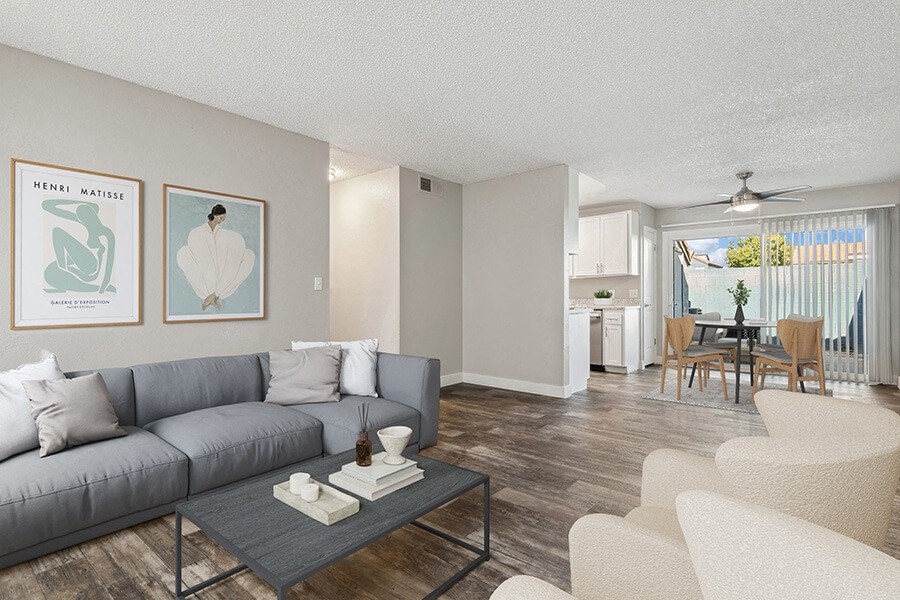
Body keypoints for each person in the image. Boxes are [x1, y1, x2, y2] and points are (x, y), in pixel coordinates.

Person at [176, 203, 255, 311]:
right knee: (182, 253)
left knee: (249, 255)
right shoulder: (196, 233)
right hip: (205, 284)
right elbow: (202, 263)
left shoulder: (227, 236)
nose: (222, 221)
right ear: (216, 216)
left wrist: (218, 291)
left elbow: (228, 265)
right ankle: (212, 296)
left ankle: (214, 296)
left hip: (223, 286)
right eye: (222, 218)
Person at [42, 199, 116, 294]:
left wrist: (102, 289)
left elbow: (108, 263)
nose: (82, 221)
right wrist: (84, 202)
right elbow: (47, 205)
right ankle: (63, 274)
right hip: (84, 264)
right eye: (81, 219)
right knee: (50, 271)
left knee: (58, 232)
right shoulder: (84, 222)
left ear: (93, 215)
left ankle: (65, 275)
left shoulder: (105, 233)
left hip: (93, 269)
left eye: (84, 218)